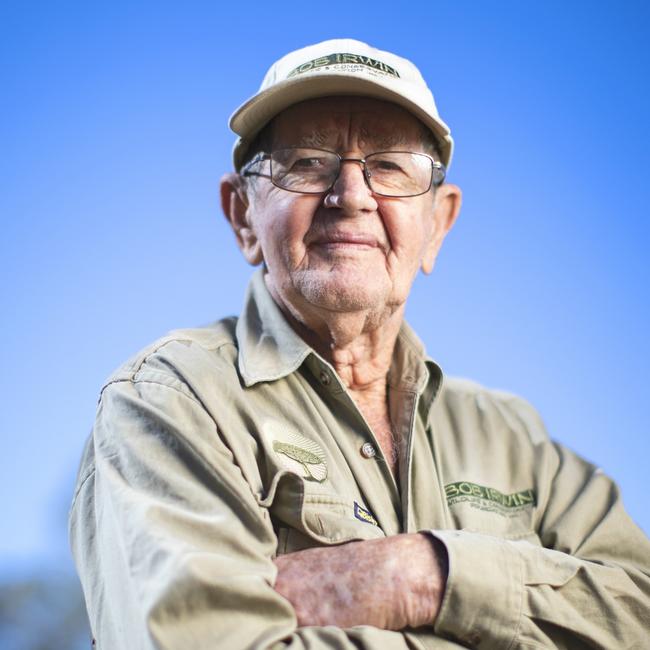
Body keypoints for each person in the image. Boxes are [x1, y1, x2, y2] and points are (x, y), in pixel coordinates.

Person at [69, 39, 650, 649]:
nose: (351, 196)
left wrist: (420, 576)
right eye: (308, 162)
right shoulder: (170, 402)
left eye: (391, 166)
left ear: (438, 225)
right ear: (242, 215)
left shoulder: (515, 438)